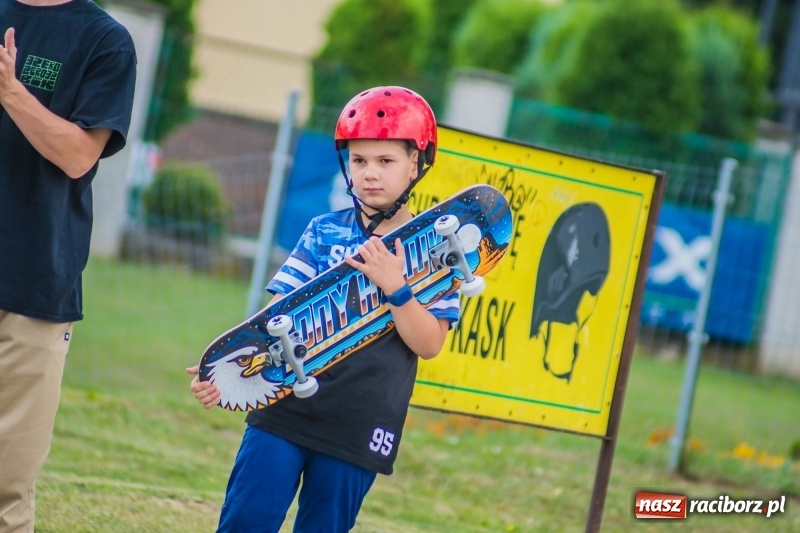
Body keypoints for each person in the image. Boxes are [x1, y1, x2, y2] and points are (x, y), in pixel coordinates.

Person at [187, 86, 459, 532]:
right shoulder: (322, 232)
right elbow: (274, 319)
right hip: (284, 410)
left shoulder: (436, 248)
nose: (370, 173)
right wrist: (226, 368)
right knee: (245, 522)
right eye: (359, 161)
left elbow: (429, 344)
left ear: (416, 163)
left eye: (385, 161)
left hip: (359, 423)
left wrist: (396, 287)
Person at [0, 1, 137, 531]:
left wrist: (12, 93)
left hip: (34, 289)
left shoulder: (105, 40)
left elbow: (79, 155)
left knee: (7, 493)